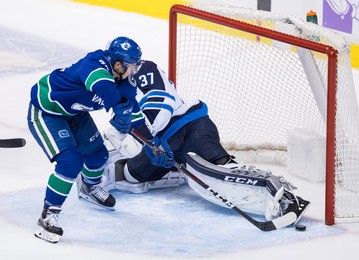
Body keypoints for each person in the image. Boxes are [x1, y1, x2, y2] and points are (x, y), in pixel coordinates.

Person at [97, 59, 310, 224]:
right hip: (163, 147)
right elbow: (120, 132)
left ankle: (284, 199)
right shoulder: (114, 90)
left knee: (222, 173)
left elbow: (162, 102)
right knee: (130, 176)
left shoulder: (142, 69)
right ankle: (173, 170)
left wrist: (150, 142)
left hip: (188, 128)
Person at [27, 36, 142, 243]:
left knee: (98, 155)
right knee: (71, 162)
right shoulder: (94, 64)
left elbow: (134, 112)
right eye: (132, 65)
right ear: (118, 64)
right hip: (46, 111)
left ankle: (90, 187)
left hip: (74, 113)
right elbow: (102, 85)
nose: (135, 70)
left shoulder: (125, 81)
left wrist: (152, 141)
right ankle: (47, 216)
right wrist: (119, 108)